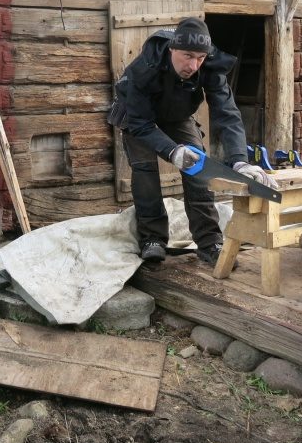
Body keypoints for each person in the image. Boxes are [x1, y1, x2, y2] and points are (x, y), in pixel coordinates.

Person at [110, 17, 277, 267]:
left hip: (177, 117)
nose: (193, 65)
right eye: (187, 56)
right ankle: (152, 239)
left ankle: (210, 242)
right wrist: (171, 150)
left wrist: (240, 162)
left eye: (199, 58)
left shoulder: (209, 67)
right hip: (139, 121)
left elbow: (227, 114)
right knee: (145, 173)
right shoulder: (143, 69)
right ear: (172, 49)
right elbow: (141, 124)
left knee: (198, 169)